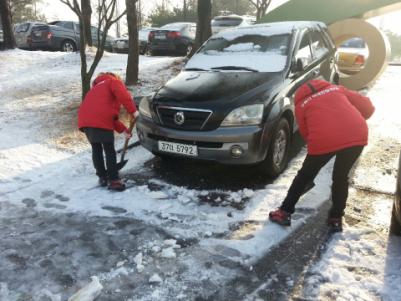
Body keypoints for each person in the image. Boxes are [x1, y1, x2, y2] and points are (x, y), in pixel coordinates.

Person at [269, 79, 375, 232]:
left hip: (323, 139)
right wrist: (352, 119)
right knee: (341, 177)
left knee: (304, 176)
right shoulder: (336, 89)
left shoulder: (300, 104)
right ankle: (336, 218)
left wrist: (320, 147)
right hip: (356, 133)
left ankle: (284, 212)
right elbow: (368, 107)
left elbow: (306, 133)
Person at [78, 72, 139, 191]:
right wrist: (133, 111)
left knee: (96, 148)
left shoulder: (95, 89)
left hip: (85, 121)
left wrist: (124, 131)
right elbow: (124, 96)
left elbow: (110, 116)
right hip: (100, 119)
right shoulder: (113, 82)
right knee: (109, 149)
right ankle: (114, 180)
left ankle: (102, 177)